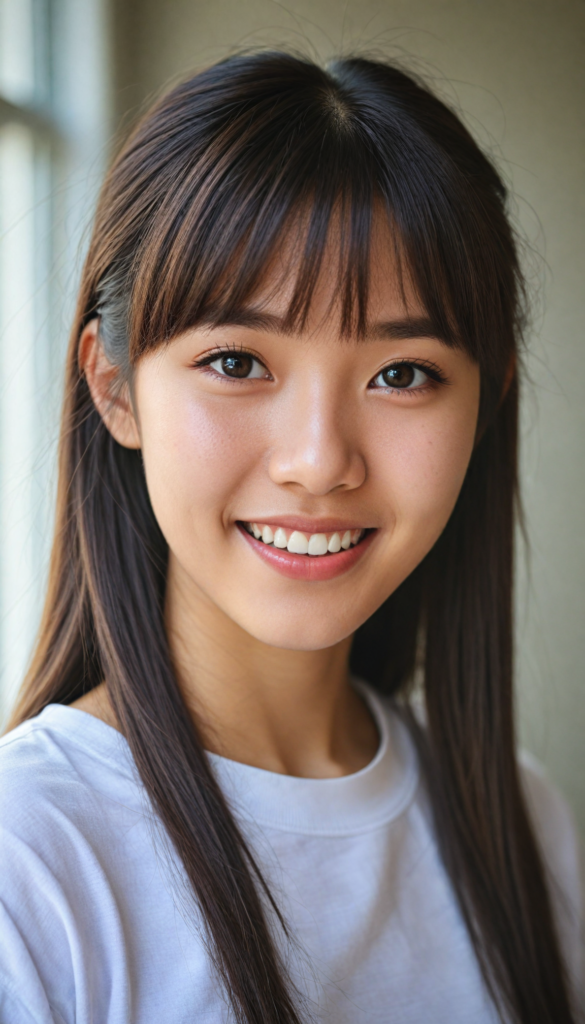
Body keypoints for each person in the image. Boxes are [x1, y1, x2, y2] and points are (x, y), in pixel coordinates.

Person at [0, 51, 581, 1024]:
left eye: (402, 374)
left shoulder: (528, 828)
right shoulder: (30, 864)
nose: (318, 461)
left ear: (488, 402)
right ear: (114, 387)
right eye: (237, 362)